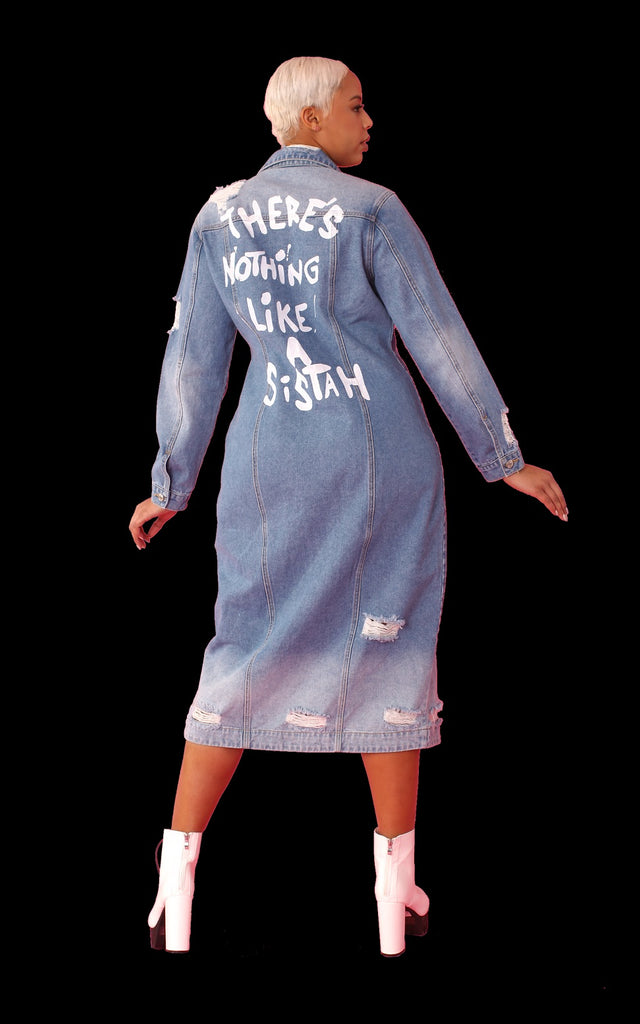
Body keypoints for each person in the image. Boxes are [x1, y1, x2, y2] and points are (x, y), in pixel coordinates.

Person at [129, 56, 568, 958]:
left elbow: (193, 358)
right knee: (390, 644)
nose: (369, 123)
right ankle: (393, 892)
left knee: (244, 639)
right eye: (357, 106)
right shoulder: (371, 209)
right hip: (377, 456)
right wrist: (502, 458)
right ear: (312, 116)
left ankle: (176, 882)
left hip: (268, 459)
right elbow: (438, 335)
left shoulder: (217, 215)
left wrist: (171, 481)